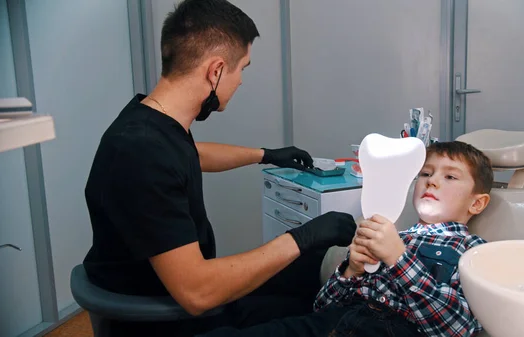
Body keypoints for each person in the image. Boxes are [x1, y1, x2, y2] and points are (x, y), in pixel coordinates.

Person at [82, 1, 357, 336]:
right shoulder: (141, 153)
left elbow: (192, 155)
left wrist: (266, 155)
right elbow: (198, 293)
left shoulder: (148, 123)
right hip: (166, 321)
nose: (240, 80)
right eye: (242, 68)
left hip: (171, 297)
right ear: (215, 71)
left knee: (310, 274)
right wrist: (304, 236)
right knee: (339, 324)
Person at [197, 140, 494, 337]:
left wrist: (399, 259)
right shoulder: (397, 235)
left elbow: (457, 327)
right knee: (237, 315)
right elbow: (323, 304)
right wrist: (351, 270)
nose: (432, 180)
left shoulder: (473, 251)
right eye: (425, 173)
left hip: (390, 329)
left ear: (477, 203)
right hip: (342, 318)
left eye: (450, 177)